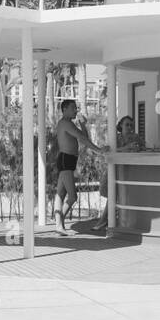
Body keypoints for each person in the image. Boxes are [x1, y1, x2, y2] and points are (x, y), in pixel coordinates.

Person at [54, 99, 107, 232]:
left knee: (60, 194)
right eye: (73, 108)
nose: (76, 110)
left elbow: (83, 136)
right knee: (72, 196)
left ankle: (59, 225)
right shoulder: (65, 123)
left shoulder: (69, 123)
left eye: (76, 108)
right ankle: (59, 224)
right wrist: (98, 150)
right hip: (66, 160)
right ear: (64, 109)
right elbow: (82, 139)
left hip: (67, 160)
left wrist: (83, 124)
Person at [92, 115, 139, 231]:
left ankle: (104, 221)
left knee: (116, 196)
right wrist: (126, 148)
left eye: (131, 125)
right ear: (121, 126)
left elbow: (142, 148)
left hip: (130, 171)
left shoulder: (136, 138)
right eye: (127, 124)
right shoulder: (115, 138)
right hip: (115, 170)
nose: (129, 127)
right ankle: (106, 220)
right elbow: (110, 150)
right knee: (112, 194)